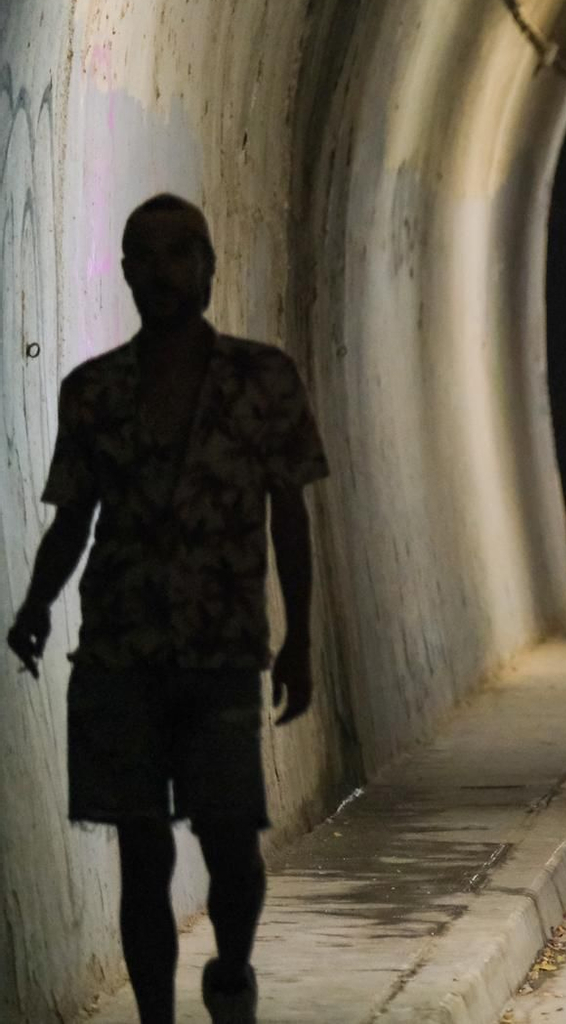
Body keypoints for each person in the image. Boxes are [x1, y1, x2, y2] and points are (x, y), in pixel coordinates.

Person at [6, 194, 329, 1024]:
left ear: (209, 266)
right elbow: (73, 518)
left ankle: (231, 968)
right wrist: (38, 604)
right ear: (125, 273)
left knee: (230, 839)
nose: (163, 271)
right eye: (145, 256)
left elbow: (288, 512)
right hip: (121, 655)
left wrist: (299, 637)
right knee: (141, 847)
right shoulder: (94, 392)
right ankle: (157, 1014)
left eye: (180, 253)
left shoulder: (264, 381)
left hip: (223, 653)